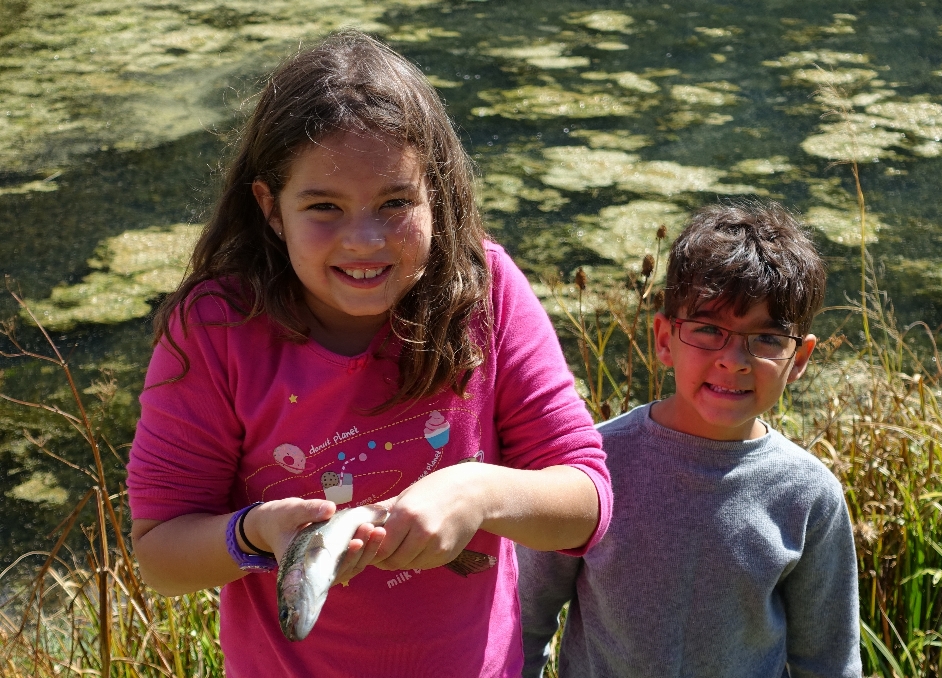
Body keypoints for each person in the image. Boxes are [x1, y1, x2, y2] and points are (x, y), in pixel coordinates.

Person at [126, 31, 611, 678]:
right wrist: (253, 534)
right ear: (271, 209)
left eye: (395, 203)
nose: (364, 240)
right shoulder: (216, 327)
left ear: (434, 193)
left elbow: (587, 505)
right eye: (323, 207)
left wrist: (479, 494)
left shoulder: (485, 291)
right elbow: (159, 554)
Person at [518, 202, 862, 678]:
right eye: (707, 329)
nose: (734, 360)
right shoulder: (590, 471)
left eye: (766, 339)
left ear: (798, 358)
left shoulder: (809, 496)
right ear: (664, 339)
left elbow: (827, 662)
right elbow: (523, 624)